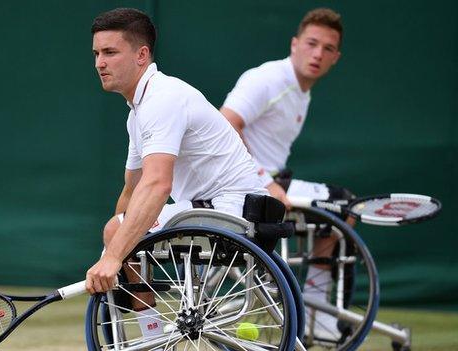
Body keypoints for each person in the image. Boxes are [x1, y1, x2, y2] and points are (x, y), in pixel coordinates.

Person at [85, 7, 268, 342]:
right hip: (220, 210)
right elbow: (132, 189)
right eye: (96, 53)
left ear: (141, 55)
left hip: (234, 213)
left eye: (110, 52)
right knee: (119, 228)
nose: (100, 63)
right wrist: (114, 253)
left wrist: (114, 255)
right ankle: (152, 335)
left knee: (119, 231)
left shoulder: (162, 98)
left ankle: (149, 337)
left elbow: (157, 184)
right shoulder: (139, 112)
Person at [219, 8, 353, 338]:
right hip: (248, 188)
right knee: (345, 207)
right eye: (312, 43)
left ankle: (315, 307)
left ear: (336, 57)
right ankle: (317, 311)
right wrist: (265, 182)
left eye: (328, 48)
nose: (318, 53)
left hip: (271, 183)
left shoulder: (301, 91)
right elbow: (225, 125)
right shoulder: (267, 79)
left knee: (342, 208)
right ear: (295, 44)